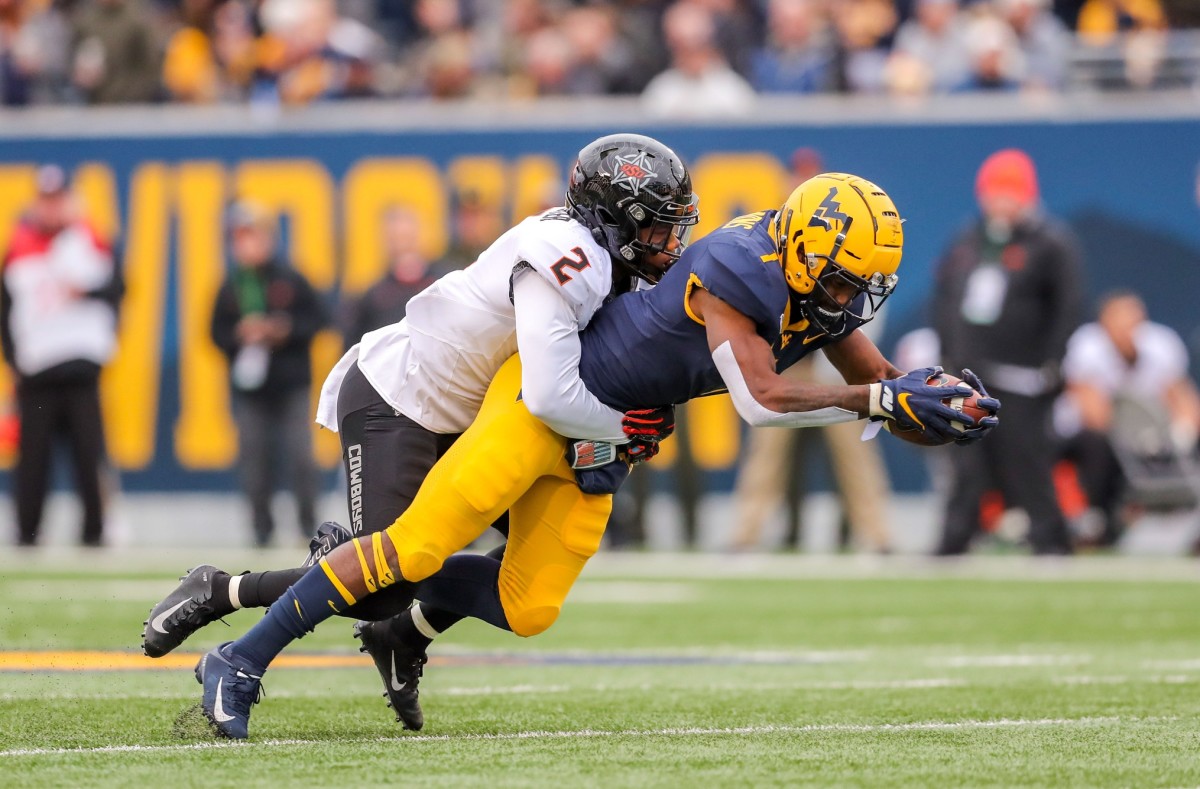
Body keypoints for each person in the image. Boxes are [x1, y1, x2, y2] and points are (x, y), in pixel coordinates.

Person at [181, 171, 999, 739]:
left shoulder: (815, 288)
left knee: (529, 604)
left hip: (605, 439)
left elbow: (887, 387)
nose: (855, 299)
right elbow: (758, 398)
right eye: (847, 281)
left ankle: (405, 632)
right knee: (413, 546)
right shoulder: (735, 268)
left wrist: (943, 409)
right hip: (544, 410)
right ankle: (239, 657)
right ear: (809, 255)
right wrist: (877, 400)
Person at [144, 132, 699, 696]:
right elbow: (551, 395)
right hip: (403, 398)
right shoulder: (563, 254)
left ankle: (403, 632)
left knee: (531, 560)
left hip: (472, 418)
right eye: (657, 226)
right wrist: (619, 430)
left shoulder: (611, 262)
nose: (670, 242)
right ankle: (222, 591)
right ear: (610, 217)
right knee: (387, 581)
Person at [932, 148, 1082, 556]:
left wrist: (1053, 360)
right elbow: (945, 299)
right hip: (970, 372)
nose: (1000, 202)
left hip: (1023, 373)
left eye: (1009, 193)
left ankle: (1051, 541)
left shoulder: (1049, 243)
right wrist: (947, 354)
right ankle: (953, 542)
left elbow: (1067, 306)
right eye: (994, 192)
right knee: (967, 464)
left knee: (1028, 461)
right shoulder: (968, 240)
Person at [0, 164, 122, 547]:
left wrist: (82, 291)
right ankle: (27, 534)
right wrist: (13, 360)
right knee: (33, 460)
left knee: (89, 456)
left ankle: (95, 533)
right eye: (46, 200)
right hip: (36, 371)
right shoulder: (18, 247)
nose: (52, 208)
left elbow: (117, 288)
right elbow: (6, 311)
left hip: (81, 369)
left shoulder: (88, 239)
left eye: (58, 200)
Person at [210, 201, 329, 547]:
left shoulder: (290, 278)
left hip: (290, 384)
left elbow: (319, 319)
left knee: (300, 457)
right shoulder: (231, 285)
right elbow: (214, 332)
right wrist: (239, 335)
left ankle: (309, 527)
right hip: (251, 389)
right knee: (255, 460)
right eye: (240, 238)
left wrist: (284, 330)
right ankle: (261, 530)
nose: (247, 245)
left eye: (253, 236)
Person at [1057, 290, 1200, 546]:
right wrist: (1139, 438)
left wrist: (1183, 431)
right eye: (1121, 321)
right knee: (1097, 445)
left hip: (1152, 432)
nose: (1129, 329)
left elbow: (1182, 396)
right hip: (1091, 434)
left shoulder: (1160, 343)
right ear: (1104, 322)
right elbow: (1094, 413)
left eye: (1135, 321)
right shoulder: (1087, 345)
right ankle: (1100, 521)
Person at [340, 207, 437, 346]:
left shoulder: (442, 282)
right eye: (396, 238)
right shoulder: (372, 296)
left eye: (407, 237)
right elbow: (354, 347)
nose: (402, 245)